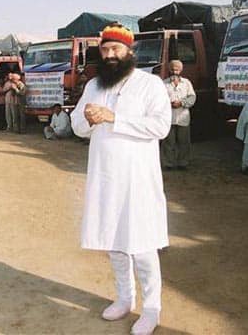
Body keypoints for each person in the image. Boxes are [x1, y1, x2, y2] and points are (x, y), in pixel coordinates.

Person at [71, 24, 171, 335]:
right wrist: (86, 118)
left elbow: (160, 127)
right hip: (105, 177)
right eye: (105, 50)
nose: (110, 55)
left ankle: (152, 308)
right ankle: (124, 298)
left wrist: (115, 118)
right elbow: (76, 126)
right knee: (113, 241)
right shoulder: (94, 86)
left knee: (141, 245)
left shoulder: (150, 84)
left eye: (116, 49)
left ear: (129, 52)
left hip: (139, 179)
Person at [161, 60, 196, 170]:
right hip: (168, 117)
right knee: (168, 142)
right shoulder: (163, 83)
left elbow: (192, 97)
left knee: (184, 142)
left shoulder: (186, 83)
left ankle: (183, 163)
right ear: (169, 70)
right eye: (172, 69)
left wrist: (182, 103)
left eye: (177, 69)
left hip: (183, 116)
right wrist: (169, 104)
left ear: (181, 70)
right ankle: (168, 164)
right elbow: (159, 99)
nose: (174, 72)